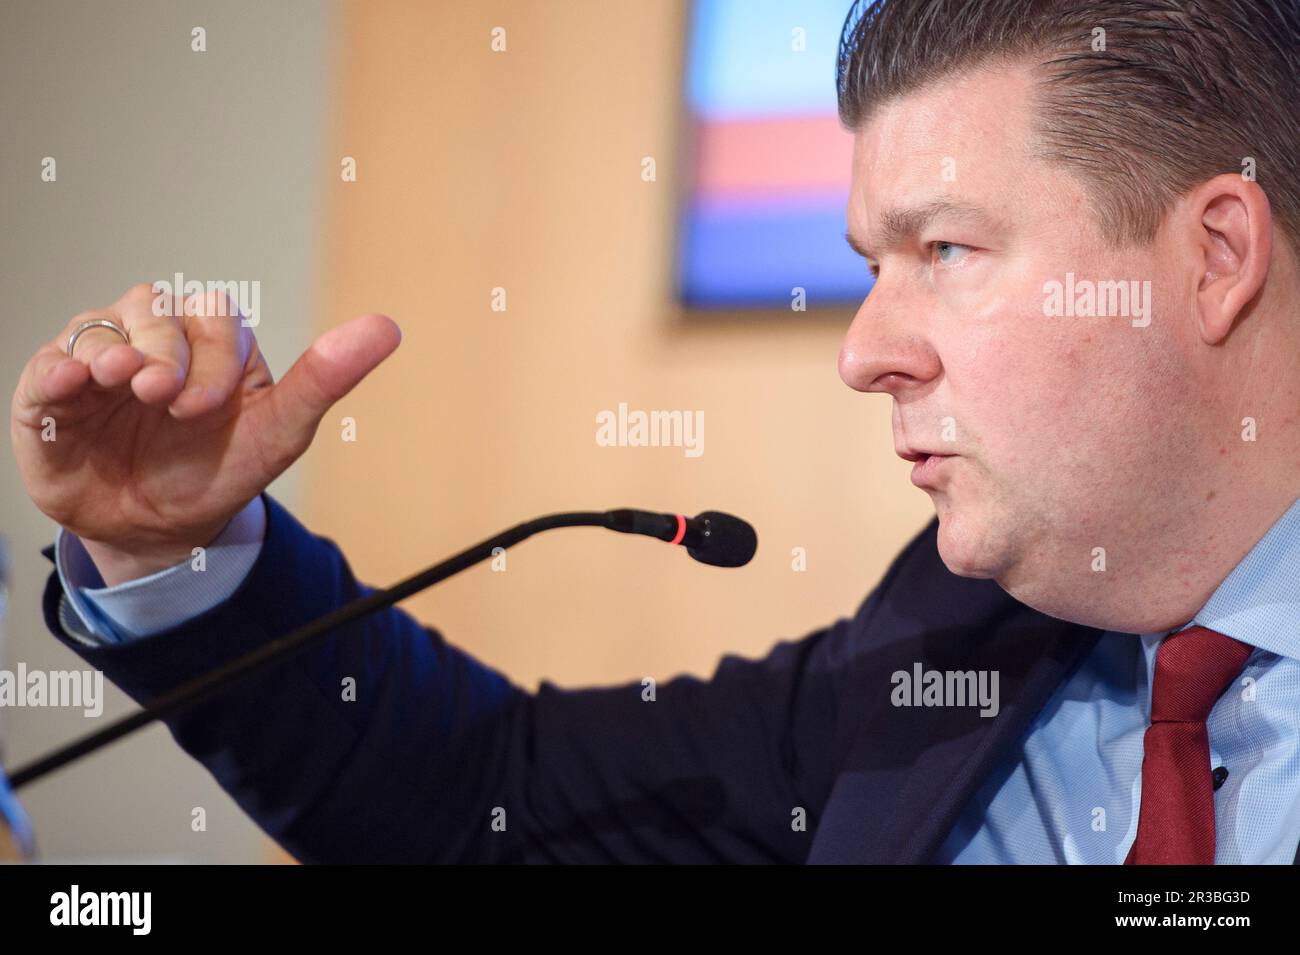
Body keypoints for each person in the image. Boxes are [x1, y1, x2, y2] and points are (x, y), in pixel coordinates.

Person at [10, 0, 1300, 863]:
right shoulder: (952, 637)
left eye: (947, 250)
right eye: (869, 266)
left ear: (1213, 256)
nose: (863, 352)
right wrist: (177, 551)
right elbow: (480, 800)